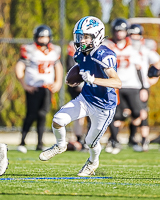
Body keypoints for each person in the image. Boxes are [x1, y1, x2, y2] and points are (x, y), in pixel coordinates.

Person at [39, 16, 122, 176]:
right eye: (79, 36)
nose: (81, 40)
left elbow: (117, 82)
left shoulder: (104, 54)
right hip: (86, 99)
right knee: (58, 120)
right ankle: (60, 145)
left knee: (90, 142)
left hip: (104, 106)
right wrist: (74, 78)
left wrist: (94, 79)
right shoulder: (80, 53)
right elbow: (82, 66)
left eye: (85, 36)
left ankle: (92, 163)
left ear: (97, 36)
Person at [15, 25, 63, 153]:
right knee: (30, 114)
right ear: (36, 37)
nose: (43, 39)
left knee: (42, 114)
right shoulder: (29, 49)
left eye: (45, 36)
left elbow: (58, 66)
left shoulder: (54, 50)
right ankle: (22, 141)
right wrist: (25, 85)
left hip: (46, 88)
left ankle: (40, 143)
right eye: (41, 36)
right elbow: (19, 66)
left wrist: (58, 82)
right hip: (33, 88)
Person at [103, 18, 143, 154]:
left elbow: (139, 68)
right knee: (115, 115)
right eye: (117, 30)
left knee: (137, 113)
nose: (119, 33)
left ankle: (132, 138)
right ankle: (114, 140)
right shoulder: (107, 45)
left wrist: (143, 87)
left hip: (132, 84)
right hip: (115, 85)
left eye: (122, 31)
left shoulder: (133, 45)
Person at [128, 23, 160, 151]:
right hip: (126, 85)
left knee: (141, 113)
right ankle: (131, 138)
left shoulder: (144, 50)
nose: (134, 37)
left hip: (141, 86)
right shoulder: (126, 49)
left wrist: (152, 80)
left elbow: (157, 63)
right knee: (129, 114)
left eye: (136, 34)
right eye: (132, 34)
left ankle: (143, 139)